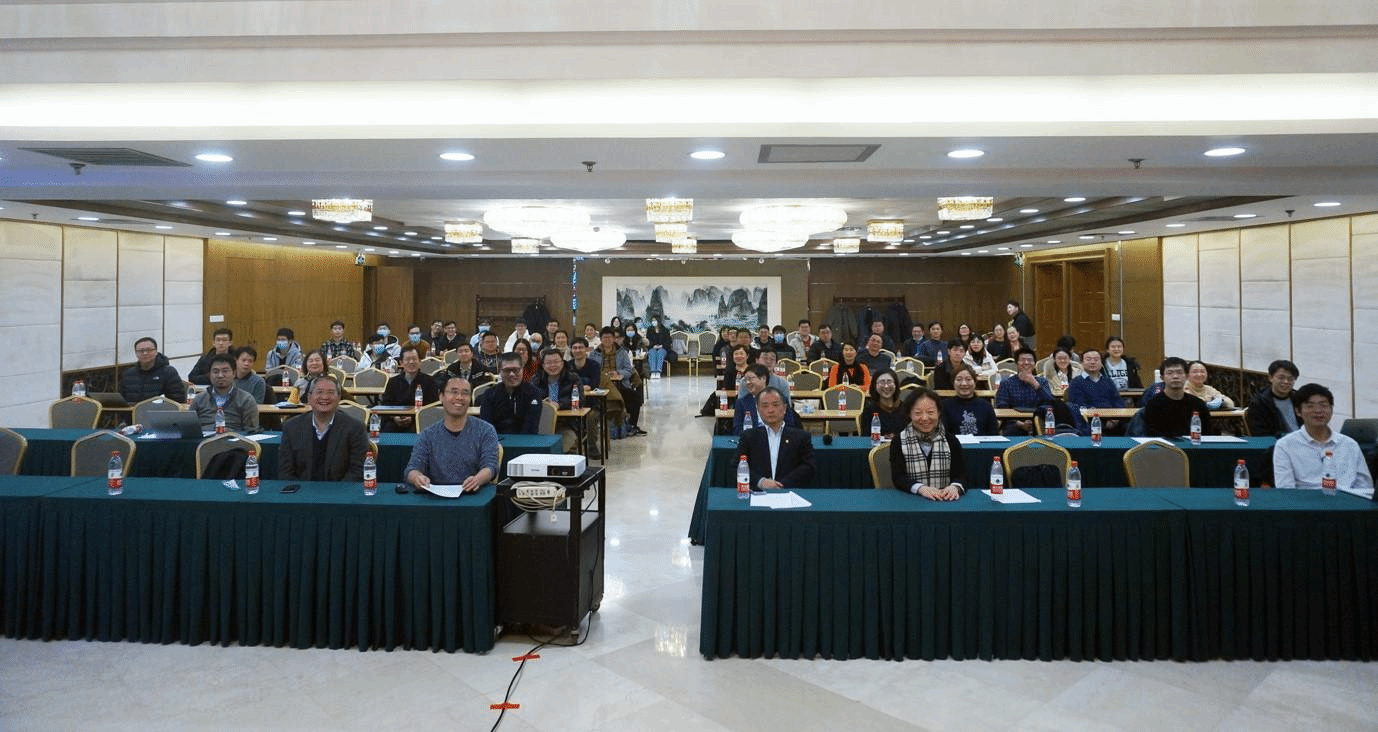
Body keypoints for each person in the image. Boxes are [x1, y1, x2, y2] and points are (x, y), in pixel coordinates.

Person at [405, 378, 500, 494]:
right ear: (441, 397)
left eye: (465, 393)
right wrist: (417, 478)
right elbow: (412, 469)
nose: (459, 397)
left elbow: (491, 466)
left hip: (472, 495)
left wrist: (477, 479)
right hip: (435, 498)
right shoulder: (428, 434)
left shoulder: (485, 430)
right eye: (454, 392)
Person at [1273, 383, 1374, 493]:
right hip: (1305, 502)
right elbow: (1285, 490)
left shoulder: (1350, 444)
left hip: (1347, 501)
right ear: (1298, 411)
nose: (1318, 410)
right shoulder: (1285, 445)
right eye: (1310, 406)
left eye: (1323, 405)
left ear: (1331, 409)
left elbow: (1364, 486)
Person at [278, 375, 369, 482]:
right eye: (319, 392)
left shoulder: (355, 428)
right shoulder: (292, 427)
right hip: (301, 490)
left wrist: (335, 491)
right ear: (309, 398)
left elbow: (357, 471)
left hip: (341, 490)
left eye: (330, 392)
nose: (325, 397)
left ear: (339, 398)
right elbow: (285, 471)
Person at [889, 387, 966, 500]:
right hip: (912, 501)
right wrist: (921, 488)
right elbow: (898, 477)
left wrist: (955, 487)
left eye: (930, 412)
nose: (925, 418)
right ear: (909, 414)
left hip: (944, 500)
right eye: (918, 413)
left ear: (939, 413)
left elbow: (961, 475)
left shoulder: (950, 440)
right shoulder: (899, 441)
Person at [735, 387, 815, 489]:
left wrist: (782, 484)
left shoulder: (801, 437)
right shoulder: (749, 437)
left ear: (785, 408)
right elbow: (735, 466)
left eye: (775, 405)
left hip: (790, 491)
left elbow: (809, 466)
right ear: (758, 410)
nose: (771, 410)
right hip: (758, 492)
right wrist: (761, 482)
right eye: (765, 406)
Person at [591, 327, 646, 435]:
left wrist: (618, 373)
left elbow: (628, 370)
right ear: (601, 339)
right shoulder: (594, 354)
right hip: (601, 386)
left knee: (635, 397)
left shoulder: (622, 352)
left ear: (613, 339)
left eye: (609, 337)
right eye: (604, 338)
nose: (607, 340)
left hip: (620, 384)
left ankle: (632, 425)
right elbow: (592, 372)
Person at [1142, 357, 1214, 438]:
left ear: (1187, 376)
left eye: (1179, 372)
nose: (1175, 376)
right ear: (1162, 377)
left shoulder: (1198, 404)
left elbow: (1208, 435)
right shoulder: (1153, 405)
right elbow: (1150, 436)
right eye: (1170, 373)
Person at [190, 354, 259, 432]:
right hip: (205, 438)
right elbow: (189, 428)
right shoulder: (199, 399)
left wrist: (232, 433)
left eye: (225, 371)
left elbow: (252, 431)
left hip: (235, 438)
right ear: (209, 375)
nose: (220, 375)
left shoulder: (246, 400)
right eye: (215, 372)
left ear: (234, 373)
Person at [478, 352, 543, 434]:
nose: (511, 374)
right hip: (496, 440)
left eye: (516, 370)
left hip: (526, 440)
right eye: (507, 370)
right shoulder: (489, 394)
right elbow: (487, 427)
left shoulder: (534, 393)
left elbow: (531, 428)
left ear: (522, 369)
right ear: (500, 371)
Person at [379, 345, 440, 432]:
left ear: (420, 361)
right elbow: (386, 404)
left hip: (419, 420)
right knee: (388, 428)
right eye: (407, 359)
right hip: (395, 420)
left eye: (414, 359)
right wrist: (394, 417)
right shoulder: (393, 382)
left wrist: (413, 418)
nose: (411, 362)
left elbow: (433, 407)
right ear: (401, 363)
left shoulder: (429, 381)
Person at [994, 348, 1054, 435]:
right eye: (1022, 360)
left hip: (1039, 421)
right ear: (1016, 363)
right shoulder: (1006, 383)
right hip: (1014, 424)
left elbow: (1050, 402)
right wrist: (1019, 423)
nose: (1026, 363)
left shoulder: (1042, 382)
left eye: (1029, 360)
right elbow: (1001, 407)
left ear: (1034, 363)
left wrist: (1035, 384)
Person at [1065, 347, 1124, 434]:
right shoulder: (1075, 383)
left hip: (1112, 420)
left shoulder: (1108, 381)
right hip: (1088, 422)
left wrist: (1115, 418)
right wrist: (1101, 419)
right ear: (1082, 363)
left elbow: (1117, 401)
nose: (1092, 362)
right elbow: (1079, 406)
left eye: (1096, 360)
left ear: (1101, 363)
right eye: (1088, 359)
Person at [120, 336, 187, 404]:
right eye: (141, 351)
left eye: (149, 350)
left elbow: (178, 400)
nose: (145, 353)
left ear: (156, 352)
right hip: (133, 410)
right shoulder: (128, 374)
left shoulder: (169, 372)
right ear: (136, 353)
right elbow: (122, 400)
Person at [1247, 359, 1300, 438]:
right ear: (1270, 378)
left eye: (1290, 379)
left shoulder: (1300, 399)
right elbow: (1260, 434)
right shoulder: (1259, 403)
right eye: (1281, 378)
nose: (1286, 382)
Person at [941, 365, 998, 436]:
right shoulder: (945, 405)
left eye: (968, 379)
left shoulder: (986, 405)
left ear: (975, 382)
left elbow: (994, 434)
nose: (964, 384)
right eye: (959, 380)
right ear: (953, 383)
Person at [860, 368, 907, 438]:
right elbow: (865, 437)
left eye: (889, 382)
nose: (886, 386)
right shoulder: (869, 411)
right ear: (875, 386)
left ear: (896, 385)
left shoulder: (906, 409)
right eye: (882, 382)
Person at [732, 364, 773, 435]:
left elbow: (789, 426)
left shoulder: (779, 400)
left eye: (751, 378)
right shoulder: (742, 403)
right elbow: (737, 429)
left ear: (763, 379)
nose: (748, 382)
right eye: (746, 380)